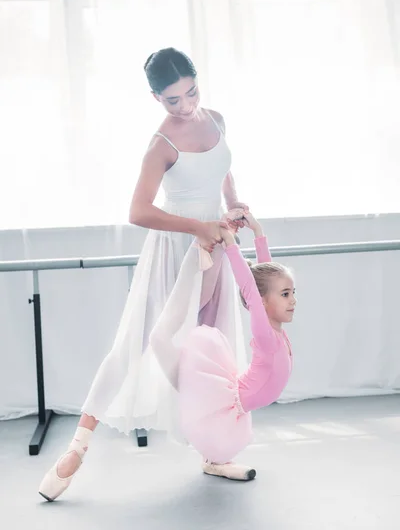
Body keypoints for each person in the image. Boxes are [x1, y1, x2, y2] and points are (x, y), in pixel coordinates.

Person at [38, 47, 249, 502]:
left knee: (213, 345)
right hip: (177, 249)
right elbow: (138, 210)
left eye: (191, 92)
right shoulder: (162, 144)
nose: (187, 105)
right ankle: (77, 447)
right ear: (156, 98)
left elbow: (223, 171)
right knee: (133, 343)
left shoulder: (216, 118)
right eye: (174, 100)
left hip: (214, 244)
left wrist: (232, 206)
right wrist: (197, 227)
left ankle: (212, 450)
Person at [148, 209, 295, 480]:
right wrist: (230, 245)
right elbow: (253, 289)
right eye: (286, 295)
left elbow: (265, 279)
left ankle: (214, 460)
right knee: (210, 423)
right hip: (233, 399)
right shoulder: (265, 334)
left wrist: (259, 232)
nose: (293, 300)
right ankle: (213, 459)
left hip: (241, 399)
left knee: (221, 438)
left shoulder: (275, 325)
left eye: (292, 293)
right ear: (262, 302)